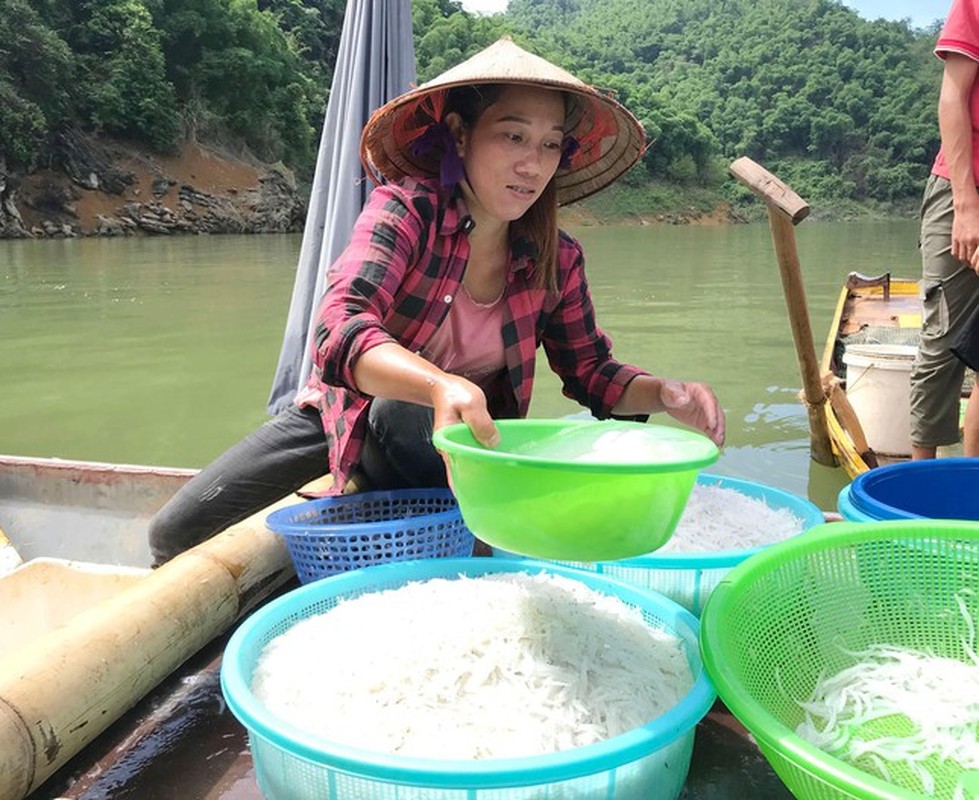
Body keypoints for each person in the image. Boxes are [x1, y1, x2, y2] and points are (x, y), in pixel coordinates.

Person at [148, 38, 726, 565]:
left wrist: (664, 392)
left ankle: (446, 535)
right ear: (458, 133)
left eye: (550, 145)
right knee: (175, 532)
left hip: (470, 450)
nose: (533, 164)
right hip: (350, 416)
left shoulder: (557, 257)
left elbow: (592, 373)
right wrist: (438, 384)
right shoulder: (405, 213)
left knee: (428, 427)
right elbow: (338, 330)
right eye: (513, 136)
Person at [910, 0, 979, 460]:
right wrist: (966, 204)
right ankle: (919, 481)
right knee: (942, 340)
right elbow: (952, 97)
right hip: (963, 185)